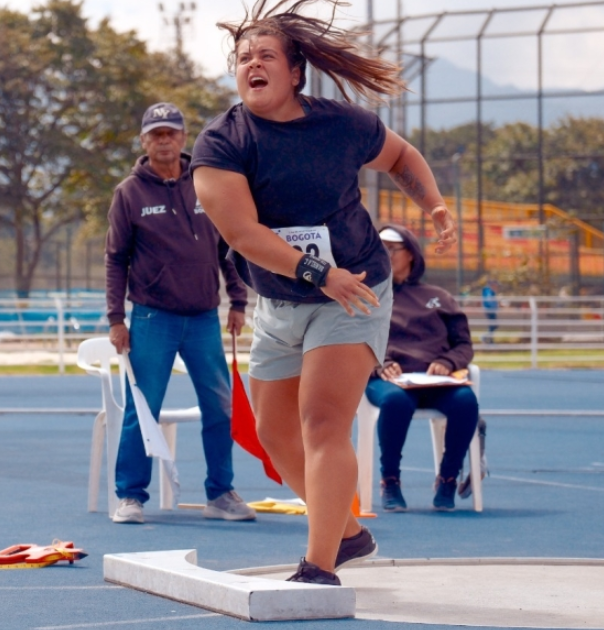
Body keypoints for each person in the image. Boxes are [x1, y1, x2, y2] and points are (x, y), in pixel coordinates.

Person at [191, 0, 456, 585]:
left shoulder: (341, 124)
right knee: (273, 434)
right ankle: (349, 534)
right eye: (242, 58)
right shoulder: (221, 143)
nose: (251, 65)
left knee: (321, 423)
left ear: (294, 72)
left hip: (354, 291)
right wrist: (317, 273)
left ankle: (319, 565)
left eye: (265, 56)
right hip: (281, 300)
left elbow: (400, 156)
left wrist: (431, 203)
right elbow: (243, 235)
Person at [105, 101, 255, 525]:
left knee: (220, 407)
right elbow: (116, 259)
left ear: (183, 138)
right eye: (156, 134)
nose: (164, 140)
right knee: (143, 407)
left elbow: (230, 245)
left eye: (171, 132)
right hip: (153, 319)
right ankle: (131, 495)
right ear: (144, 141)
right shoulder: (129, 193)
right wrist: (117, 319)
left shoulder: (207, 184)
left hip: (205, 317)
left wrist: (238, 301)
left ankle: (221, 493)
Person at [368, 225, 479, 512]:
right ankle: (389, 481)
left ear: (412, 255)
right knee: (395, 402)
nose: (385, 253)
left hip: (434, 381)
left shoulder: (439, 297)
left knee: (466, 402)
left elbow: (464, 345)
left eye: (392, 248)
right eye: (381, 247)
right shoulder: (366, 295)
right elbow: (351, 340)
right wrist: (380, 363)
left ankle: (447, 480)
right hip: (386, 379)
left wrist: (448, 362)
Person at [481, 278, 499, 344]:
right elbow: (489, 300)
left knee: (494, 326)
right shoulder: (488, 290)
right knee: (492, 326)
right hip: (489, 310)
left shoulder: (489, 291)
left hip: (491, 310)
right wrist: (495, 306)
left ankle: (488, 339)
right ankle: (487, 339)